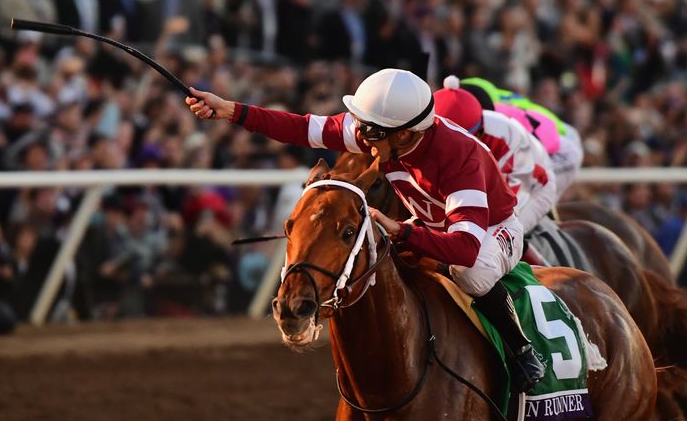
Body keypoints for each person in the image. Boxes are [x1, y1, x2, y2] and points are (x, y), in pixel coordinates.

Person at [185, 68, 545, 392]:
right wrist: (231, 111)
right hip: (430, 222)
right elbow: (301, 128)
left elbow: (465, 248)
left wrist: (400, 231)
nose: (361, 137)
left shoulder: (458, 157)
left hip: (491, 230)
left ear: (404, 135)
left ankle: (521, 349)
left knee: (472, 273)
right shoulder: (383, 132)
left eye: (371, 131)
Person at [434, 76, 557, 236]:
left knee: (503, 234)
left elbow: (506, 207)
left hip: (536, 184)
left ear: (478, 132)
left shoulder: (505, 137)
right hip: (501, 174)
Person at [459, 77, 584, 200]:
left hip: (559, 145)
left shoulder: (496, 119)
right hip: (555, 132)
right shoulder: (492, 102)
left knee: (531, 196)